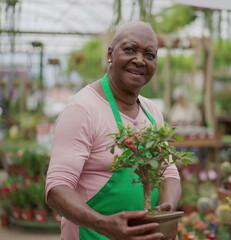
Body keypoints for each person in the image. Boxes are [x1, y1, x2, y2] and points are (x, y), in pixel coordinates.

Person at [45, 21, 181, 240]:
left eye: (149, 54)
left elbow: (169, 174)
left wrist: (166, 211)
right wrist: (104, 225)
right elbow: (57, 189)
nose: (139, 60)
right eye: (130, 50)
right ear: (110, 54)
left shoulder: (152, 111)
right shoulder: (83, 109)